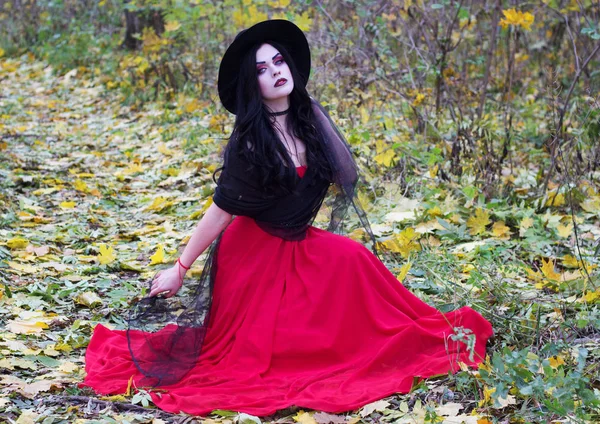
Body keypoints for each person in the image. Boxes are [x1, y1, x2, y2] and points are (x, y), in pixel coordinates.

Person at [81, 19, 494, 417]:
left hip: (298, 241)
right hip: (253, 256)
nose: (275, 73)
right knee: (276, 356)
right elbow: (222, 209)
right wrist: (180, 267)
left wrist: (310, 109)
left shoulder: (307, 121)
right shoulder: (250, 139)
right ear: (252, 84)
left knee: (354, 258)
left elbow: (345, 174)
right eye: (262, 69)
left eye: (279, 62)